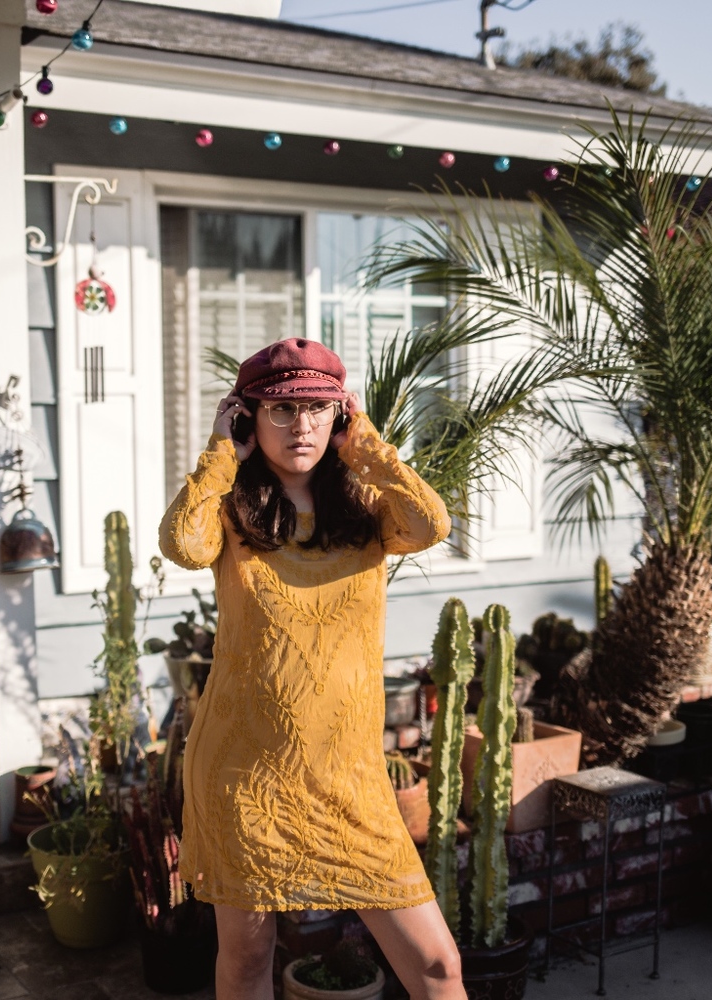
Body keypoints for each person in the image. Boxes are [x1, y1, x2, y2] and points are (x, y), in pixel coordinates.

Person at [159, 338, 466, 1000]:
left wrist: (368, 449)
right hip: (247, 775)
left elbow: (432, 522)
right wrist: (219, 454)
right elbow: (181, 544)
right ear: (250, 418)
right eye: (281, 410)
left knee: (438, 968)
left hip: (349, 780)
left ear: (341, 417)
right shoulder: (229, 512)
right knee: (247, 959)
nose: (302, 426)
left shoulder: (368, 508)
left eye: (319, 410)